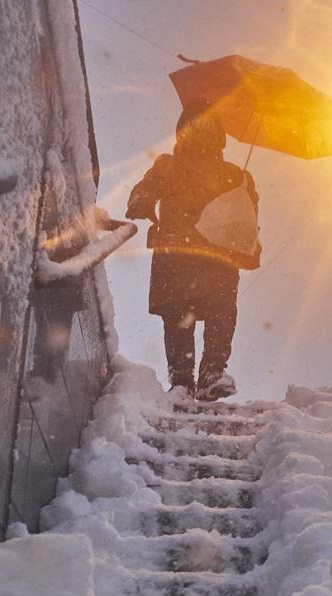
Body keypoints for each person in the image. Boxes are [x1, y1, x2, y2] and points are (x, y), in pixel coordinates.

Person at [126, 101, 261, 401]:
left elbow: (142, 192)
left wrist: (142, 203)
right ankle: (207, 374)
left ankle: (184, 381)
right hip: (214, 258)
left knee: (183, 316)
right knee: (217, 312)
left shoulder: (172, 166)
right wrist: (244, 187)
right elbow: (250, 221)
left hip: (180, 254)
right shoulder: (233, 174)